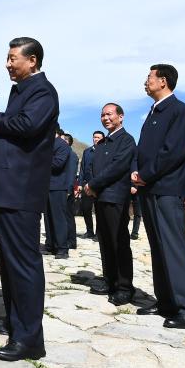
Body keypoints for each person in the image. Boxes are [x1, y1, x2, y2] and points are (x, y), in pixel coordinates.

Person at [0, 36, 58, 362]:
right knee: (9, 263)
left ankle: (30, 339)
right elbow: (8, 124)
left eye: (12, 57)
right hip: (6, 188)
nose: (7, 63)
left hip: (20, 189)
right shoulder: (22, 91)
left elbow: (25, 126)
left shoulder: (43, 91)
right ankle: (17, 323)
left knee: (24, 264)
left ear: (32, 60)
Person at [131, 63, 185, 329]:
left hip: (166, 189)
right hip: (150, 188)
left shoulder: (178, 110)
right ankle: (166, 301)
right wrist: (137, 172)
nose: (145, 81)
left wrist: (145, 174)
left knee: (173, 248)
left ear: (163, 81)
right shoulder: (153, 111)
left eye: (149, 77)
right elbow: (144, 150)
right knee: (158, 248)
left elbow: (173, 152)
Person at [82, 103, 136, 305]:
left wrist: (93, 184)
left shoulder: (126, 140)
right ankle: (109, 279)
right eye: (102, 115)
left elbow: (118, 167)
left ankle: (124, 285)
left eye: (109, 114)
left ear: (120, 117)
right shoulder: (103, 143)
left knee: (119, 241)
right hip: (100, 197)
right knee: (104, 240)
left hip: (116, 197)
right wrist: (91, 186)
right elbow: (94, 167)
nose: (105, 118)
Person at [43, 130, 72, 257]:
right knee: (48, 218)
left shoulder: (62, 145)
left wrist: (40, 160)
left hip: (58, 187)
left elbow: (58, 163)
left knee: (58, 218)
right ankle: (50, 245)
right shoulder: (46, 144)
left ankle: (62, 248)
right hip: (45, 186)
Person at [78, 131, 103, 239]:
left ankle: (99, 233)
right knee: (85, 208)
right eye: (94, 137)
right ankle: (89, 231)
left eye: (98, 137)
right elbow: (82, 168)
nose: (96, 139)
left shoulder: (104, 151)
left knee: (99, 210)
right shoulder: (87, 151)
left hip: (99, 185)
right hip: (86, 185)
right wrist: (80, 183)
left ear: (103, 139)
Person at [63, 133, 79, 250]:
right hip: (61, 189)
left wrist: (69, 190)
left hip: (67, 190)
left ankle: (71, 241)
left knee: (68, 216)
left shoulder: (72, 155)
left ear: (67, 142)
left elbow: (71, 174)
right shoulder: (63, 153)